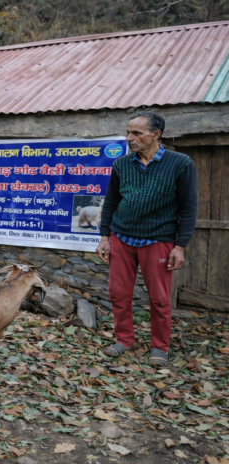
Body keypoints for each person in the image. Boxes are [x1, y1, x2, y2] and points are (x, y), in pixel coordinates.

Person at [96, 111, 197, 366]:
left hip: (158, 239)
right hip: (121, 237)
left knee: (159, 298)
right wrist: (105, 236)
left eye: (137, 133)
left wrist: (180, 246)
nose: (129, 138)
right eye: (128, 133)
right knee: (118, 293)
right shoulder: (121, 165)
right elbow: (111, 202)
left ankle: (159, 347)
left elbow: (188, 208)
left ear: (156, 135)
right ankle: (124, 339)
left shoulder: (180, 163)